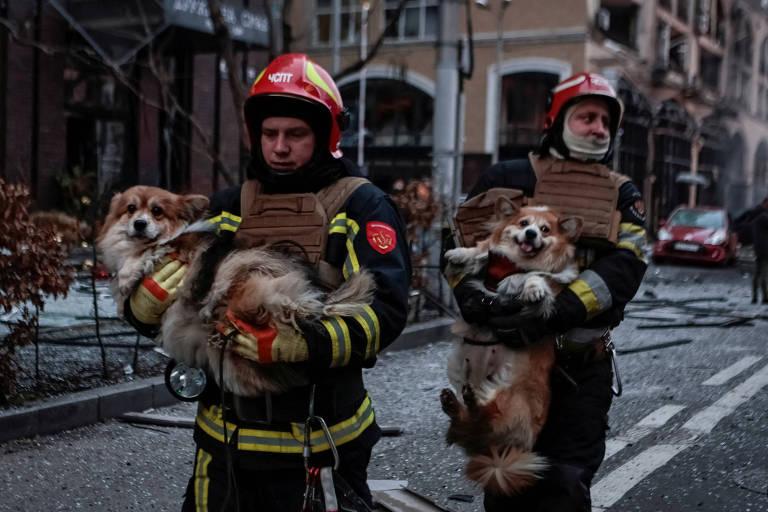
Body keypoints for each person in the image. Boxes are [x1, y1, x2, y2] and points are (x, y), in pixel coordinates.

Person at [125, 53, 411, 511]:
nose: (279, 147)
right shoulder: (229, 206)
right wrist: (143, 308)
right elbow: (177, 307)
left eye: (295, 135)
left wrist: (303, 344)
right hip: (224, 446)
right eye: (269, 133)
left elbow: (387, 311)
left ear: (325, 136)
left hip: (322, 448)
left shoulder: (361, 206)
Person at [447, 72, 648, 511]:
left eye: (605, 122)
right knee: (506, 484)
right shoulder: (507, 176)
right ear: (556, 121)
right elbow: (462, 245)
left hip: (579, 373)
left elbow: (627, 265)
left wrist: (563, 309)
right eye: (586, 117)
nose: (598, 128)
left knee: (565, 486)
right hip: (506, 368)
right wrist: (474, 298)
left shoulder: (620, 193)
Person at [752, 197, 768, 303]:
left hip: (758, 248)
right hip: (765, 249)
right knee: (764, 273)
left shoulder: (756, 213)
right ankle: (765, 297)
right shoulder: (764, 216)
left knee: (757, 273)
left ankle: (755, 297)